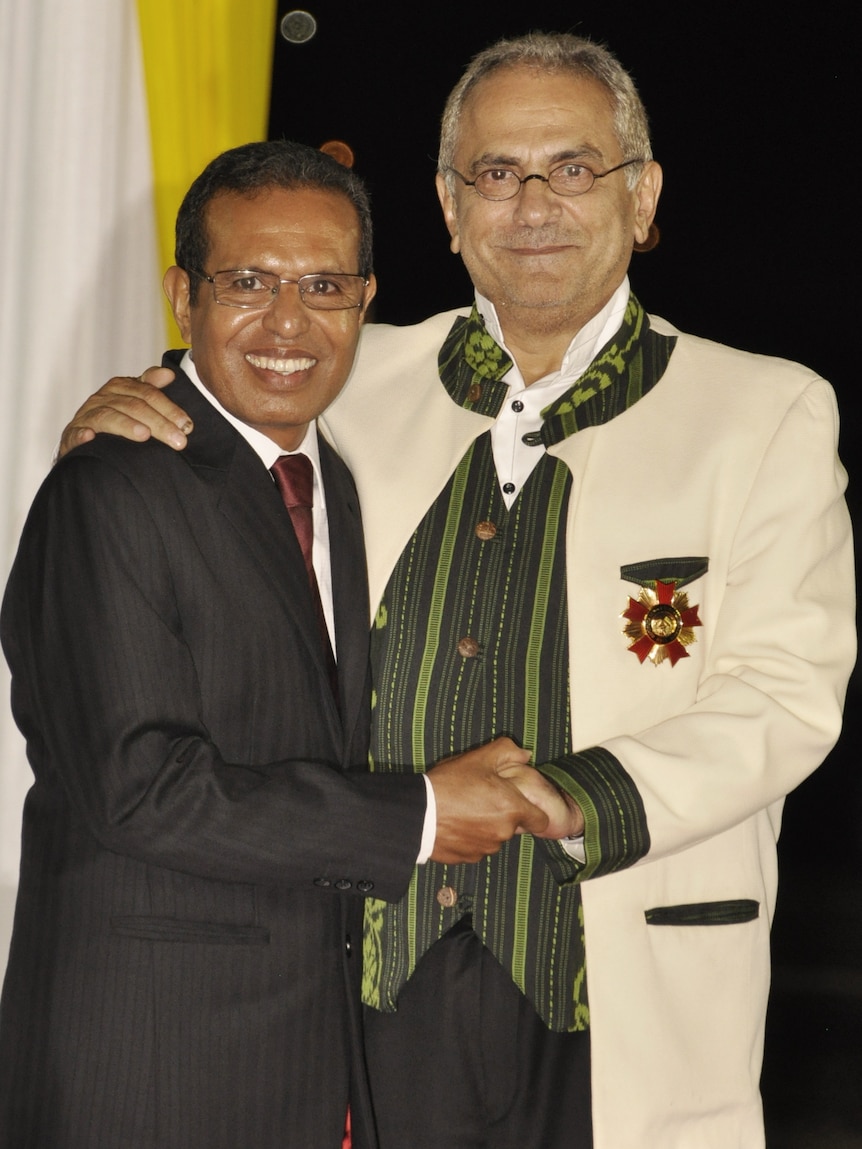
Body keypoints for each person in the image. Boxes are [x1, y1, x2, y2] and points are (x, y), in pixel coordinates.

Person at [55, 32, 855, 1149]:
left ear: (642, 194)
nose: (533, 204)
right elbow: (206, 432)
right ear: (446, 203)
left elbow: (784, 696)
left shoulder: (761, 412)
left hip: (619, 972)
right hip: (361, 981)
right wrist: (120, 415)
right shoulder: (347, 374)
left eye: (573, 168)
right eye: (495, 172)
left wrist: (562, 802)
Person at [0, 139, 575, 1149]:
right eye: (248, 283)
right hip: (147, 1069)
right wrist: (423, 812)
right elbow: (139, 789)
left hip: (312, 1062)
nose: (287, 324)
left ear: (365, 300)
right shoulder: (111, 488)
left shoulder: (337, 484)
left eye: (323, 286)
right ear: (184, 293)